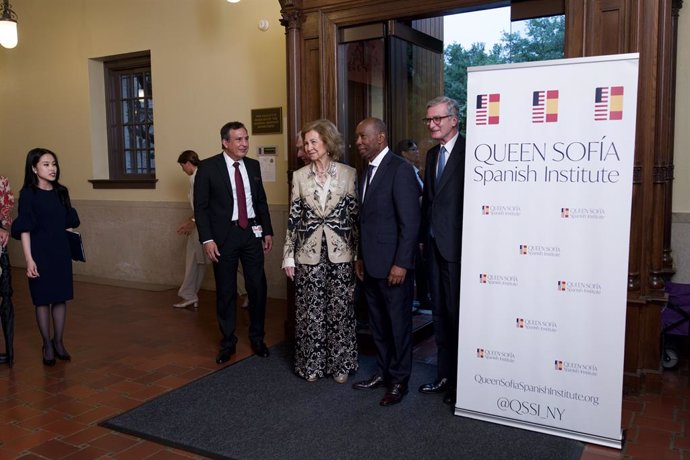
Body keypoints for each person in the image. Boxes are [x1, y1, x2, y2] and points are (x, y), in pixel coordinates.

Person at [282, 119, 359, 384]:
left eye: (314, 141)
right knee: (309, 311)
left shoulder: (349, 174)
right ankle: (311, 365)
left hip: (342, 253)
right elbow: (293, 218)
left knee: (340, 308)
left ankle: (341, 364)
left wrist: (358, 256)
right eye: (306, 143)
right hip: (308, 252)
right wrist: (288, 255)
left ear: (327, 143)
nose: (309, 147)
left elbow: (354, 218)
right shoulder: (299, 176)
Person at [351, 118, 420, 406]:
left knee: (398, 326)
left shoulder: (400, 170)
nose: (358, 142)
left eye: (363, 136)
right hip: (371, 266)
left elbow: (410, 222)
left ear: (380, 137)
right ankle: (383, 372)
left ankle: (399, 381)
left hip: (394, 268)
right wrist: (361, 257)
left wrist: (401, 264)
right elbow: (366, 221)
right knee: (378, 325)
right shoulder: (366, 172)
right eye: (357, 137)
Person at [194, 121, 274, 364]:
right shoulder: (208, 167)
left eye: (246, 139)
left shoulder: (253, 165)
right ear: (225, 142)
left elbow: (260, 201)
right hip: (223, 237)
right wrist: (207, 239)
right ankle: (228, 341)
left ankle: (258, 337)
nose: (244, 144)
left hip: (251, 232)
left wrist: (267, 231)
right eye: (238, 139)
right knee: (226, 290)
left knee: (257, 286)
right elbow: (202, 207)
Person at [11, 148, 80, 366]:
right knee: (42, 299)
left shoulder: (61, 191)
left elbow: (68, 221)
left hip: (60, 251)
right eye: (46, 164)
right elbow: (24, 229)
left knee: (60, 297)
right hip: (39, 252)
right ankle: (47, 345)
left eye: (54, 164)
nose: (52, 168)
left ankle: (58, 342)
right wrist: (29, 259)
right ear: (34, 168)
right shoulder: (28, 195)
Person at [418, 96, 466, 405]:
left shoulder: (472, 151)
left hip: (459, 249)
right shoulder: (432, 154)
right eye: (429, 120)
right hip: (434, 247)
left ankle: (464, 383)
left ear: (454, 119)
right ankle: (445, 376)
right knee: (438, 314)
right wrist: (423, 238)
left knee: (456, 314)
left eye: (437, 119)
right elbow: (430, 201)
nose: (432, 124)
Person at [393, 139, 429, 312]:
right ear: (403, 153)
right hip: (410, 229)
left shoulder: (417, 172)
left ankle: (423, 298)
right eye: (413, 149)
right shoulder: (403, 173)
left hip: (422, 228)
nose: (417, 152)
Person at [173, 150, 210, 309]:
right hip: (202, 223)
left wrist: (192, 222)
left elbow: (203, 205)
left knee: (195, 259)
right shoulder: (200, 175)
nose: (182, 170)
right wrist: (191, 220)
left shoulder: (196, 178)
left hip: (202, 225)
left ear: (188, 163)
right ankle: (189, 294)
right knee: (201, 261)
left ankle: (189, 295)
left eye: (182, 166)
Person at [0, 175, 15, 366]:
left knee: (4, 295)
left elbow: (6, 207)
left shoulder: (1, 181)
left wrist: (3, 227)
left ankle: (8, 351)